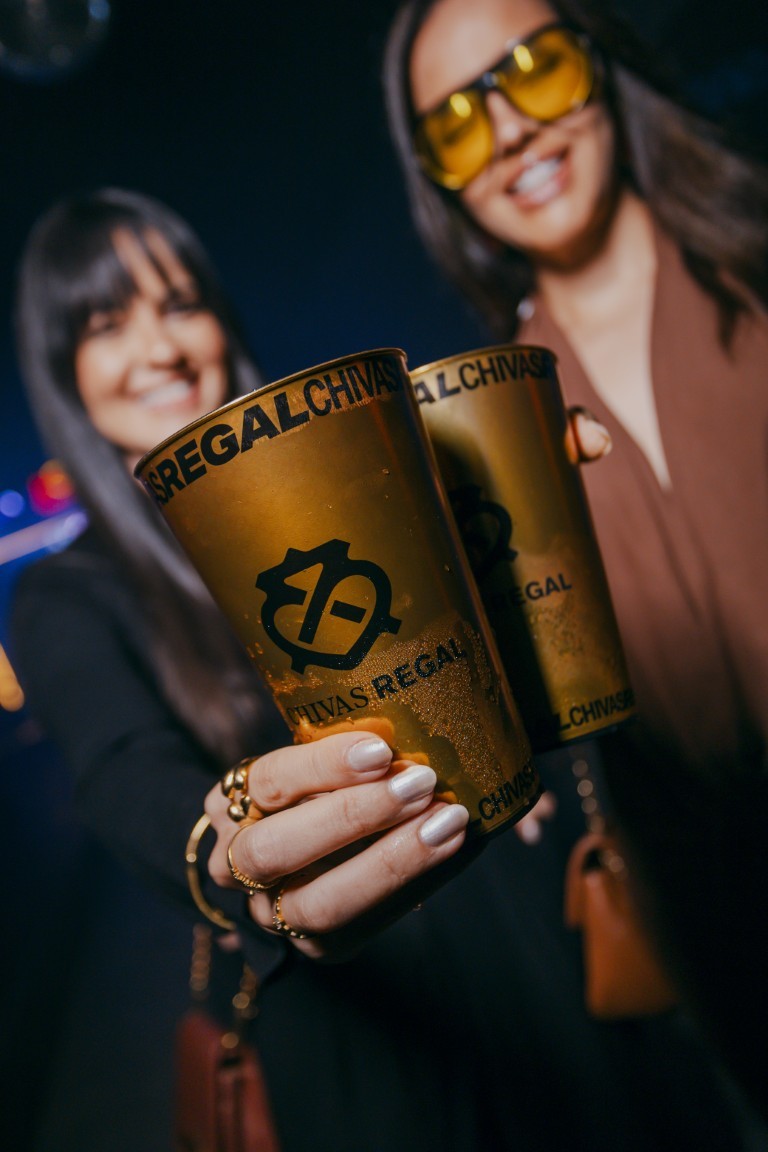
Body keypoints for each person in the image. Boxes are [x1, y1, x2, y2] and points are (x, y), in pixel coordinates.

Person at [9, 186, 762, 1152]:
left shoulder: (368, 481)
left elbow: (495, 627)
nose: (161, 348)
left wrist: (532, 494)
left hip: (523, 929)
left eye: (181, 303)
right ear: (62, 368)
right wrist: (229, 854)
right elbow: (123, 774)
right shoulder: (71, 593)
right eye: (107, 323)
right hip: (362, 1020)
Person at [383, 0, 768, 1116]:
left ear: (599, 65)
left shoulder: (753, 256)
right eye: (456, 124)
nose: (509, 130)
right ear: (440, 179)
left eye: (533, 69)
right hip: (725, 924)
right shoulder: (483, 435)